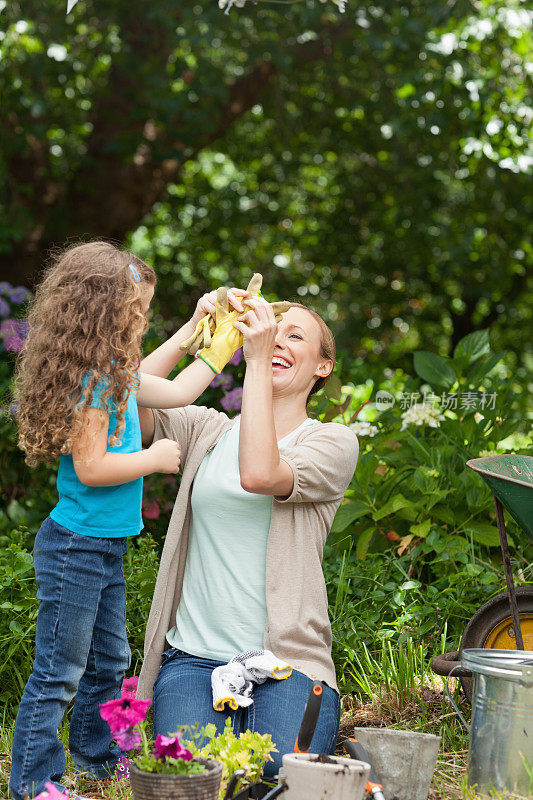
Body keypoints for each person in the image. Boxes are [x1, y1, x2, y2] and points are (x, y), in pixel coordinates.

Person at [8, 241, 247, 800]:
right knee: (59, 670)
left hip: (104, 545)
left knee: (111, 659)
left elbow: (171, 384)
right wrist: (154, 459)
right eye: (135, 313)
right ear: (101, 316)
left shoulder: (110, 372)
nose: (139, 322)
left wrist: (200, 330)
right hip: (76, 548)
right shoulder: (91, 385)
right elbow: (92, 468)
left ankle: (93, 762)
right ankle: (33, 783)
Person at [137, 295, 359, 775]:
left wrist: (257, 360)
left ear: (324, 367)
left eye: (294, 335)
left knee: (279, 775)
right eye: (271, 329)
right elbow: (127, 402)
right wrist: (194, 329)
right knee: (192, 775)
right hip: (194, 661)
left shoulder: (331, 443)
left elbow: (259, 474)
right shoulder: (207, 429)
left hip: (291, 664)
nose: (277, 338)